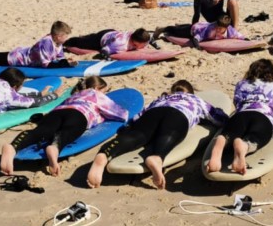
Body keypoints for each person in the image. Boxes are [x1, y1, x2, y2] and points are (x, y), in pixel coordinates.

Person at [86, 80, 229, 189]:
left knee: (137, 136)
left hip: (153, 113)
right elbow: (215, 115)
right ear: (191, 93)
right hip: (178, 114)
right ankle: (157, 157)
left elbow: (137, 117)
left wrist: (127, 129)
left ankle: (104, 154)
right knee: (169, 134)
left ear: (172, 91)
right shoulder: (195, 100)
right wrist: (225, 123)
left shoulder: (161, 99)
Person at [0, 75, 130, 177]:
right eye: (104, 91)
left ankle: (13, 147)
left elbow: (54, 110)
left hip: (57, 112)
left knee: (40, 132)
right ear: (96, 88)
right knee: (69, 131)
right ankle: (55, 147)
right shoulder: (96, 94)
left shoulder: (74, 95)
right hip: (79, 114)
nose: (104, 94)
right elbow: (118, 113)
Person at [206, 59, 273, 175]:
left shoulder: (241, 84)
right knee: (257, 136)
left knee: (231, 132)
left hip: (240, 115)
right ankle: (244, 145)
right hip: (262, 117)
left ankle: (223, 139)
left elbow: (237, 103)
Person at [0, 21, 77, 68]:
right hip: (18, 59)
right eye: (66, 36)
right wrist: (64, 64)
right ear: (58, 36)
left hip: (23, 54)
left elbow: (60, 58)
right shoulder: (46, 43)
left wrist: (67, 61)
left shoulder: (58, 43)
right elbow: (46, 65)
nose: (67, 38)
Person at [153, 15, 244, 48]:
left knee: (182, 27)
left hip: (200, 25)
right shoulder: (210, 30)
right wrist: (198, 48)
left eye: (221, 29)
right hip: (193, 30)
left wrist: (246, 40)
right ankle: (161, 29)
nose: (218, 29)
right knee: (175, 31)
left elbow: (240, 36)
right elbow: (195, 39)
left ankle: (180, 25)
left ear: (226, 28)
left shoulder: (231, 31)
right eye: (217, 27)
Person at [64, 28, 152, 55]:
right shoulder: (120, 44)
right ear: (135, 42)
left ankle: (87, 36)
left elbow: (149, 39)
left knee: (90, 36)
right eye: (142, 44)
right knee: (81, 42)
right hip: (101, 38)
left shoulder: (143, 38)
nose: (144, 45)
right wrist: (106, 55)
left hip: (113, 33)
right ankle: (65, 42)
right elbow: (104, 49)